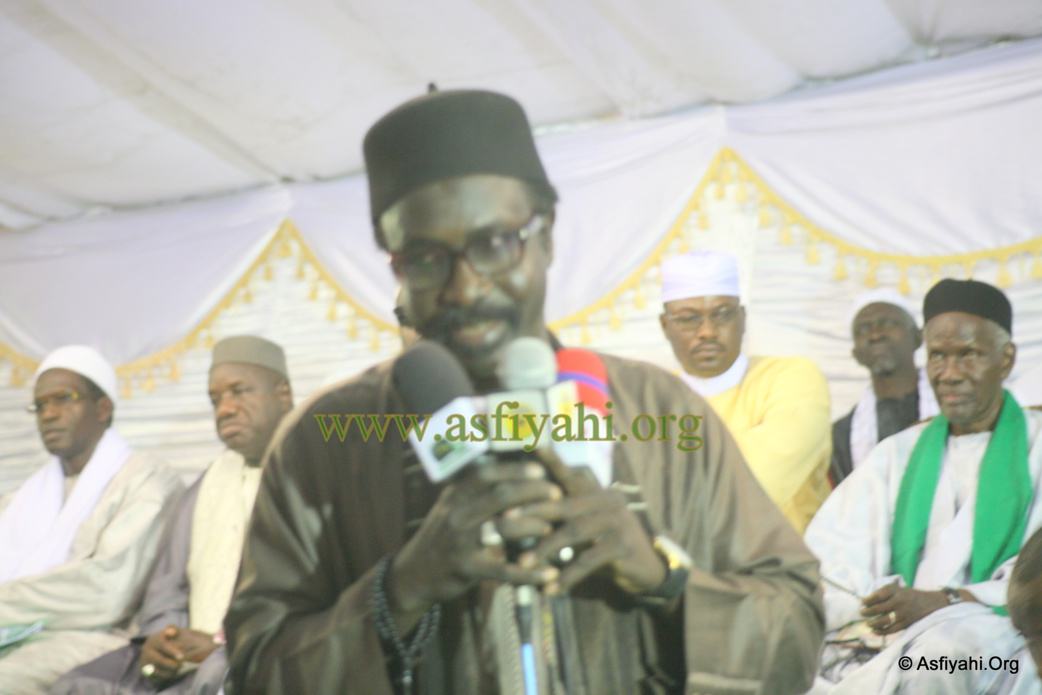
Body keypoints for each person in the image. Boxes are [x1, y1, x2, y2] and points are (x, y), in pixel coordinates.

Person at [224, 89, 824, 695]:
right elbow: (253, 672)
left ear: (546, 238)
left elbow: (796, 632)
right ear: (396, 268)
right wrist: (402, 588)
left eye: (493, 243)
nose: (465, 287)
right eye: (427, 257)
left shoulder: (660, 410)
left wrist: (660, 575)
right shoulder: (324, 443)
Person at [806, 278, 1042, 694]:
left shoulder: (1036, 447)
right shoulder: (897, 453)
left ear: (1005, 360)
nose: (948, 374)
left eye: (967, 354)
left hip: (1005, 637)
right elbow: (831, 558)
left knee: (945, 653)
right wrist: (875, 605)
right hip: (893, 636)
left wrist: (944, 602)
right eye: (937, 356)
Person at [51, 336, 294, 695]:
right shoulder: (206, 487)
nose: (225, 408)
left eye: (239, 391)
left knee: (218, 674)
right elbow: (168, 587)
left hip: (269, 649)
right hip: (194, 653)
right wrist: (163, 640)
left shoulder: (315, 473)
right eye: (215, 399)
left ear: (283, 393)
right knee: (82, 683)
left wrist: (220, 642)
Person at [0, 346, 183, 695]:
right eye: (40, 405)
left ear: (103, 408)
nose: (48, 414)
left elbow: (106, 591)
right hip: (16, 630)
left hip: (100, 638)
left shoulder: (148, 479)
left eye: (63, 398)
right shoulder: (19, 499)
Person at [657, 250, 831, 533]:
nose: (708, 331)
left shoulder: (792, 376)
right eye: (689, 319)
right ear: (665, 326)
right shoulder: (652, 396)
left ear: (742, 318)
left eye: (722, 315)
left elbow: (754, 480)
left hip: (785, 568)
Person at [830, 289, 939, 485]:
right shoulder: (840, 435)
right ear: (856, 354)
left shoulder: (954, 407)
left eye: (888, 323)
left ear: (918, 337)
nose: (875, 335)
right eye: (863, 330)